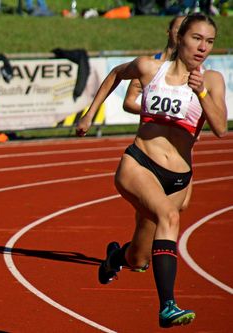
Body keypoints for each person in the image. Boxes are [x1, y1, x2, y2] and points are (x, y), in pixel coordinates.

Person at [76, 13, 227, 328]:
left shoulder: (212, 80)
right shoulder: (149, 68)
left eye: (209, 42)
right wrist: (90, 114)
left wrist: (200, 92)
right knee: (169, 219)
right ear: (180, 37)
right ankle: (168, 306)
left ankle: (116, 258)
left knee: (139, 258)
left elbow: (221, 129)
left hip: (178, 179)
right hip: (139, 164)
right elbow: (116, 73)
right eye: (196, 38)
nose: (203, 47)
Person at [123, 15, 185, 115]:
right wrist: (154, 113)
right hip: (152, 127)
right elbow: (128, 103)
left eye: (186, 29)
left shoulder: (193, 69)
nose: (181, 33)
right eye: (178, 28)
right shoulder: (148, 65)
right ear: (168, 31)